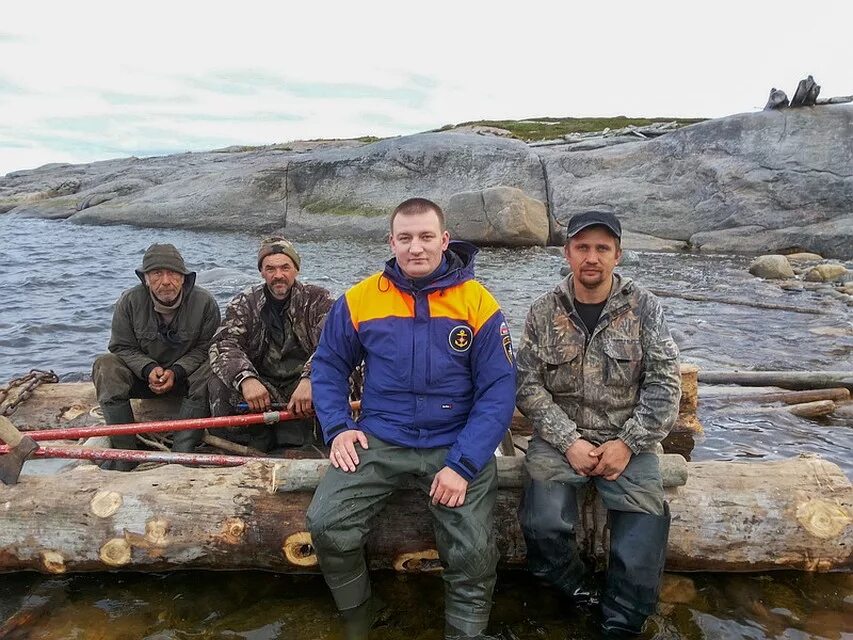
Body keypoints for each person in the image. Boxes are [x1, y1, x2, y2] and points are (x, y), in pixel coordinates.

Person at [306, 198, 517, 640]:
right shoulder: (361, 299)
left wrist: (463, 465)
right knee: (326, 525)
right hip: (381, 439)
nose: (415, 248)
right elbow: (328, 366)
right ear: (391, 242)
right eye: (405, 238)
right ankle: (360, 621)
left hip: (455, 441)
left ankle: (465, 633)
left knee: (474, 553)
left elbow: (498, 389)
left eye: (425, 237)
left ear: (444, 240)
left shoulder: (476, 302)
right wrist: (339, 427)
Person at [515, 211, 681, 638]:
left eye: (602, 248)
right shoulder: (542, 311)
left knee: (639, 547)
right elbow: (527, 386)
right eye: (582, 247)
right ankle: (578, 590)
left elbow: (665, 385)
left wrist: (628, 443)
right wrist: (568, 440)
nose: (592, 257)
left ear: (617, 254)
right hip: (558, 441)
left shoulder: (644, 307)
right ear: (568, 252)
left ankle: (619, 625)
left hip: (629, 442)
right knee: (542, 525)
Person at [92, 243, 221, 469]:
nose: (165, 281)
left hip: (186, 382)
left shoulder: (205, 303)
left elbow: (205, 347)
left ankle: (182, 452)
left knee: (214, 364)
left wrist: (176, 371)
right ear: (145, 279)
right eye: (157, 274)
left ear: (184, 278)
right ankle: (126, 454)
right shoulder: (129, 301)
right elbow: (121, 346)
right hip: (142, 380)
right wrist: (148, 368)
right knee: (105, 364)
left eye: (172, 273)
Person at [208, 237, 334, 451]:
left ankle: (318, 436)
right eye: (270, 268)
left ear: (296, 269)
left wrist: (310, 379)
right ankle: (252, 437)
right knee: (218, 381)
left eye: (285, 267)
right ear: (262, 272)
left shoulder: (318, 300)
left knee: (343, 375)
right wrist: (246, 379)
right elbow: (224, 344)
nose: (278, 275)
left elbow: (334, 343)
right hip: (263, 385)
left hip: (304, 385)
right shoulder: (244, 303)